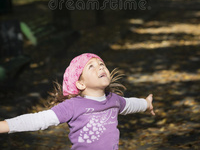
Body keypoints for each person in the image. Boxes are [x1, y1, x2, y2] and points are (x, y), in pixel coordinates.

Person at [0, 53, 155, 149]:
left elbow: (130, 105)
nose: (100, 67)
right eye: (91, 67)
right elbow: (40, 119)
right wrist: (5, 126)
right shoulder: (73, 106)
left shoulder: (113, 100)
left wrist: (146, 104)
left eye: (102, 64)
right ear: (80, 84)